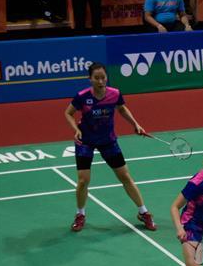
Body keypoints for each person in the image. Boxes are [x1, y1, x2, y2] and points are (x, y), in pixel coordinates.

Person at [64, 62, 156, 233]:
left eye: (103, 77)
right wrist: (76, 130)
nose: (100, 81)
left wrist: (135, 124)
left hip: (108, 140)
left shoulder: (114, 94)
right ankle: (80, 214)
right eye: (96, 78)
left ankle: (143, 212)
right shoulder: (82, 96)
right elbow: (68, 113)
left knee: (125, 177)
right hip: (86, 141)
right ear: (90, 79)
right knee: (83, 180)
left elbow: (121, 109)